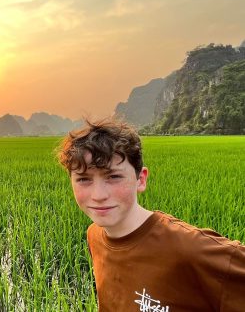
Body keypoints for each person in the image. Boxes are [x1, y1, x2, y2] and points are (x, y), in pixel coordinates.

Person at [57, 118, 245, 312]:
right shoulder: (94, 235)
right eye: (83, 179)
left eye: (113, 176)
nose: (98, 196)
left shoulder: (189, 248)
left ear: (141, 179)